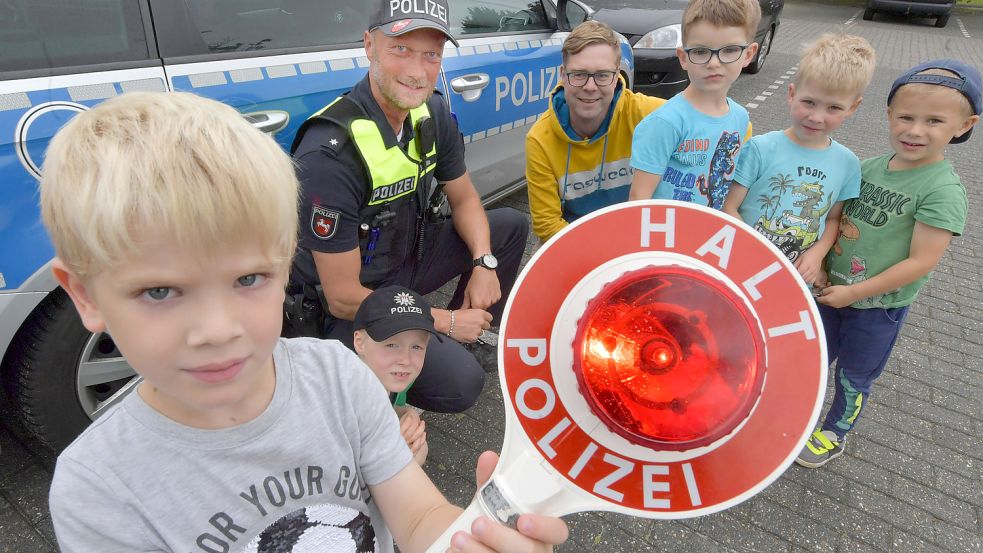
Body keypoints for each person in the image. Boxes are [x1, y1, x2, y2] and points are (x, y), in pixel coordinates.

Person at [42, 91, 568, 552]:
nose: (218, 330)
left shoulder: (341, 377)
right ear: (86, 297)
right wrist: (448, 320)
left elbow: (420, 513)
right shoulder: (99, 490)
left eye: (249, 279)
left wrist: (464, 540)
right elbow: (342, 296)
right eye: (160, 291)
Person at [289, 0, 528, 411]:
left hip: (404, 258)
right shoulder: (331, 153)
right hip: (349, 304)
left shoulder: (430, 111)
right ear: (369, 45)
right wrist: (447, 321)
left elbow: (466, 197)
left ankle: (438, 341)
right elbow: (343, 296)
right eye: (400, 49)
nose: (418, 71)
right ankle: (426, 352)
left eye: (431, 54)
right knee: (461, 384)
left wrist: (484, 263)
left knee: (508, 226)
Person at [796, 60, 980, 468]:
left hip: (876, 308)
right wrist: (823, 262)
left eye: (934, 121)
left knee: (854, 376)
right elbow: (836, 220)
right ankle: (793, 414)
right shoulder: (869, 168)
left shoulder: (943, 191)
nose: (915, 131)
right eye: (906, 117)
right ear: (889, 115)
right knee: (808, 359)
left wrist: (855, 293)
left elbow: (921, 262)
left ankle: (833, 431)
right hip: (830, 292)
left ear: (965, 125)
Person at [722, 34, 875, 287]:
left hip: (794, 278)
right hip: (743, 266)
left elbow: (833, 219)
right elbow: (729, 208)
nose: (816, 117)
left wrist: (817, 256)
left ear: (853, 107)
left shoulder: (848, 163)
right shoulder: (761, 148)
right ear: (791, 94)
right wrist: (760, 256)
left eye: (833, 108)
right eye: (809, 102)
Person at [525, 20, 667, 242]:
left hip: (639, 237)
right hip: (577, 241)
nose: (590, 87)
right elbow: (547, 224)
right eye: (579, 74)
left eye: (602, 75)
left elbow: (710, 122)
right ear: (563, 74)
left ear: (616, 75)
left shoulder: (646, 114)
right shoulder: (539, 139)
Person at [627, 0, 759, 209]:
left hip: (710, 234)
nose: (714, 63)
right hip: (667, 236)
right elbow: (638, 201)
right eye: (700, 51)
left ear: (748, 55)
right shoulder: (665, 123)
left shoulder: (740, 118)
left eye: (729, 50)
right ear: (683, 57)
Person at [354, 286, 441, 466]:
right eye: (392, 345)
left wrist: (408, 414)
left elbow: (393, 406)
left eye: (416, 347)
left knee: (418, 447)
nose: (405, 360)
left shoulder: (394, 378)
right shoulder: (346, 393)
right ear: (359, 343)